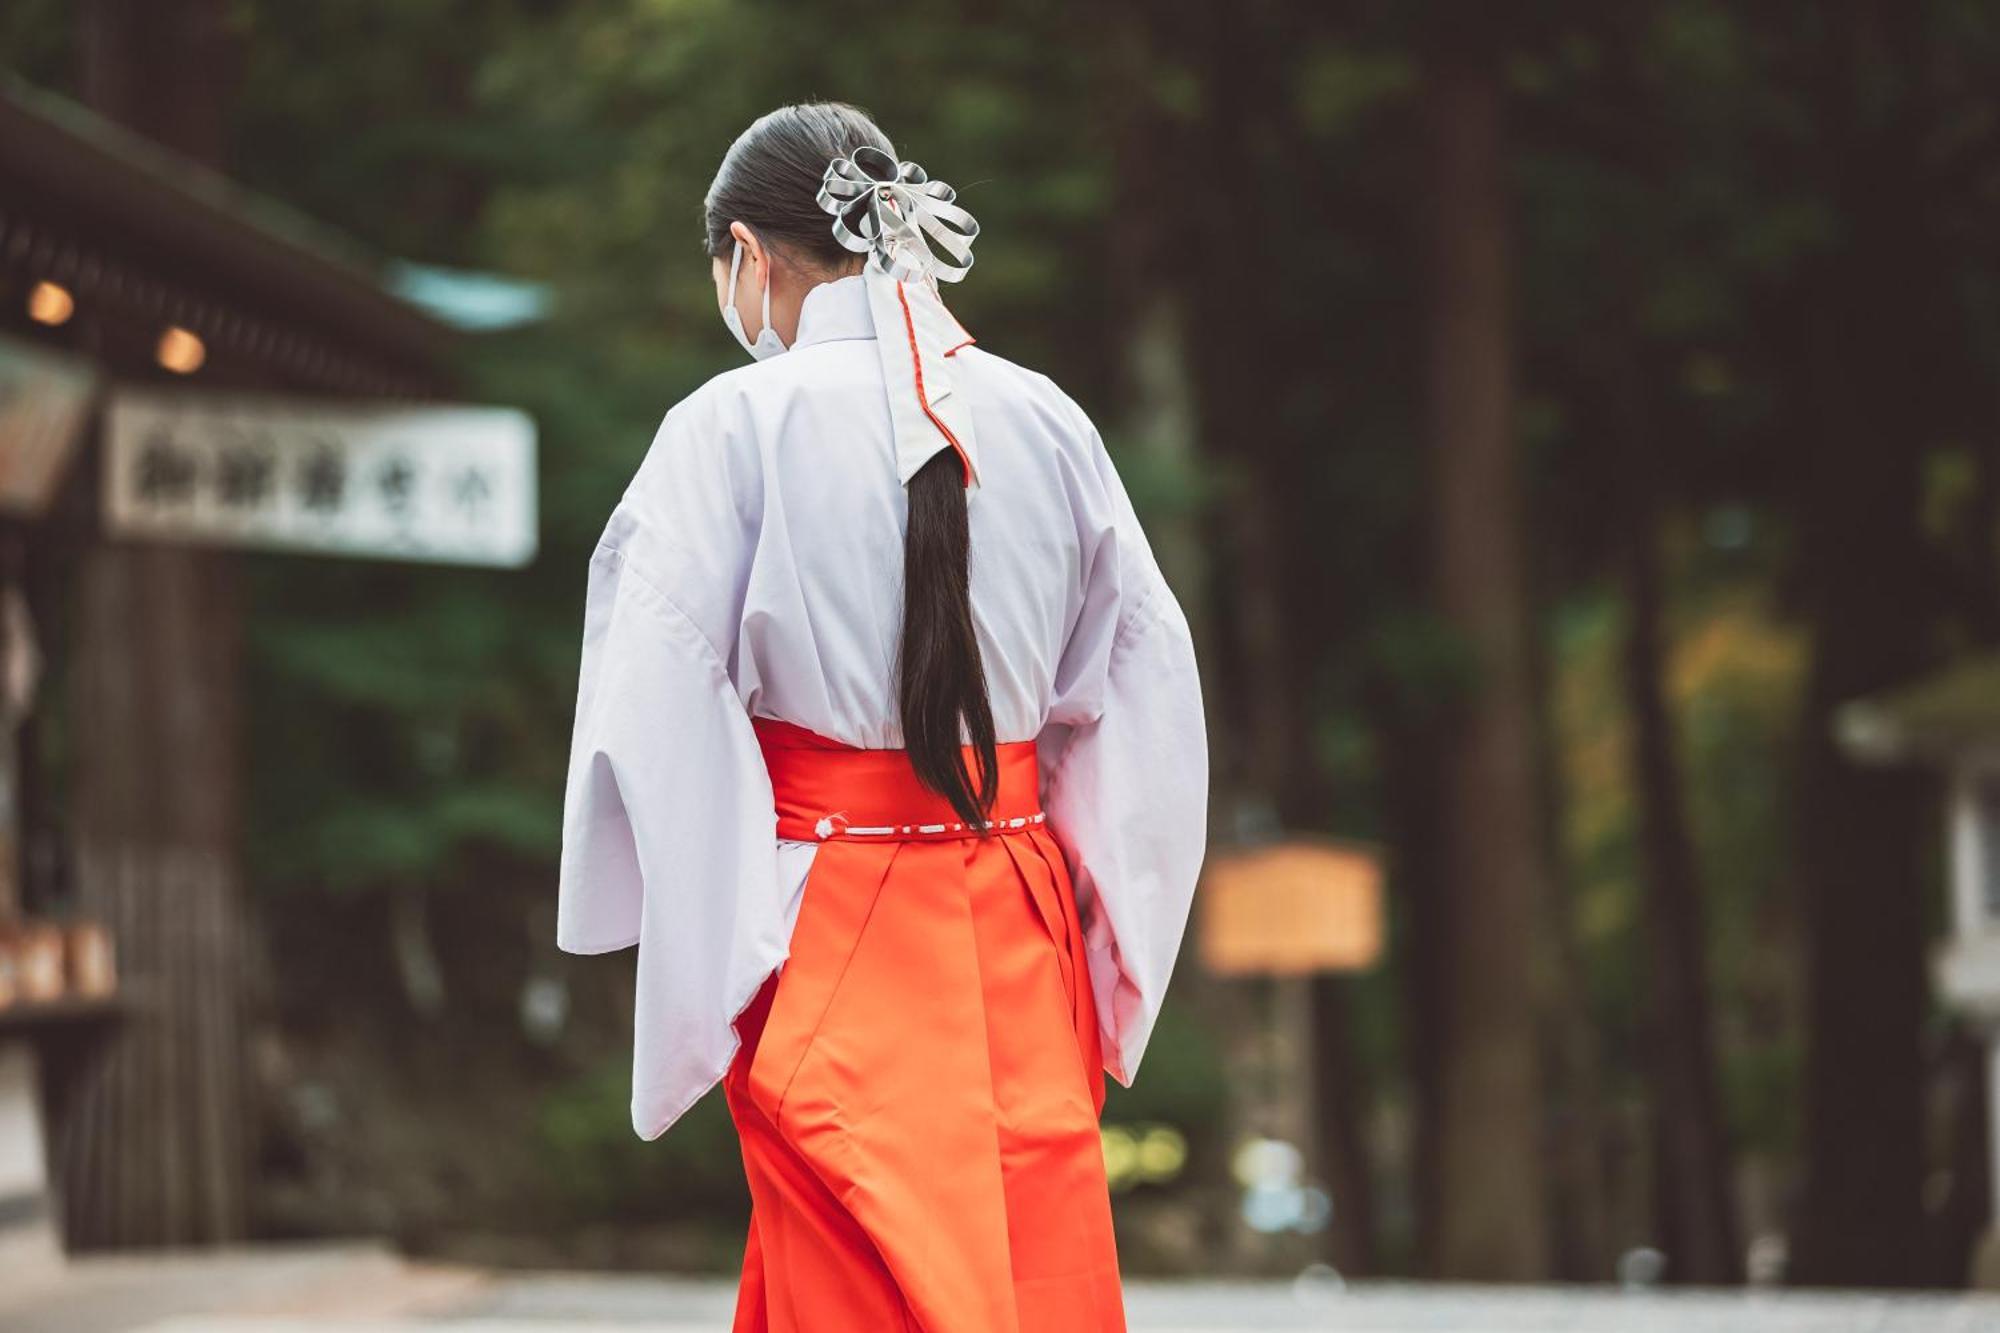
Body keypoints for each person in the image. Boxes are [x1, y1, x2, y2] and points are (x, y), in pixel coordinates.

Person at [556, 101, 1207, 1333]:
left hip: (829, 908)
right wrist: (1107, 929)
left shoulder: (727, 426)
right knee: (1031, 1273)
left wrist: (709, 928)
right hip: (1016, 904)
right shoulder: (1046, 417)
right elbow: (1135, 692)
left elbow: (655, 707)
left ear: (748, 258)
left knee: (852, 1277)